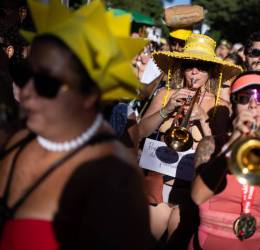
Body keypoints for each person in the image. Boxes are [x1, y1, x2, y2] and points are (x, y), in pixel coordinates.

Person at [0, 1, 153, 249]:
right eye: (25, 75)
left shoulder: (115, 178)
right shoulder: (19, 142)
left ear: (90, 94)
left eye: (46, 84)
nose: (26, 93)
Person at [137, 34, 241, 245]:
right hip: (158, 187)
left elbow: (221, 152)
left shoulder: (220, 106)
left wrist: (203, 119)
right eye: (189, 65)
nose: (194, 71)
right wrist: (166, 111)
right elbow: (138, 133)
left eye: (201, 67)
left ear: (210, 72)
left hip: (190, 192)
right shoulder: (165, 95)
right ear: (181, 67)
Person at [190, 71, 260, 250]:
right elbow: (197, 196)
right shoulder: (211, 145)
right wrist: (231, 146)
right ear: (234, 105)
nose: (253, 104)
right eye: (244, 98)